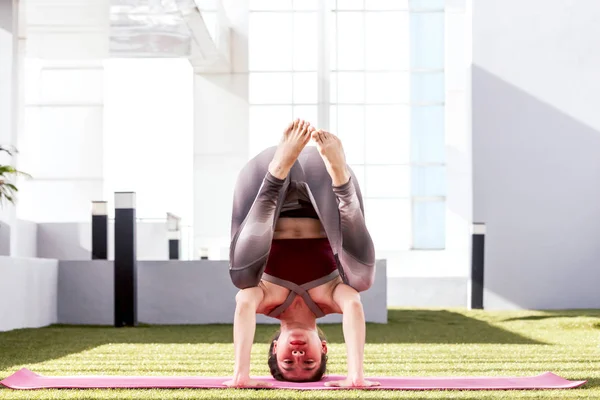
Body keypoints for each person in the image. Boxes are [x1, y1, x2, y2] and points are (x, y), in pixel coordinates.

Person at [224, 119, 379, 388]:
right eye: (308, 362)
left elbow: (244, 303)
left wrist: (241, 375)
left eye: (288, 362)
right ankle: (341, 177)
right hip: (326, 182)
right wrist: (355, 376)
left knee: (242, 280)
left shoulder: (265, 301)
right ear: (324, 348)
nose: (298, 355)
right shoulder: (330, 300)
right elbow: (353, 304)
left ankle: (278, 171)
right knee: (360, 283)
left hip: (263, 178)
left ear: (274, 348)